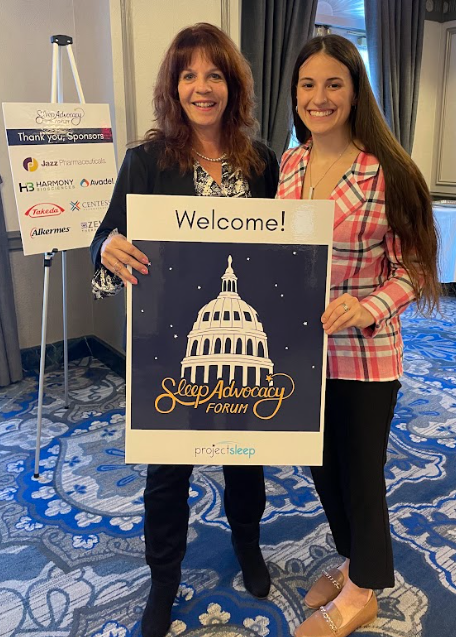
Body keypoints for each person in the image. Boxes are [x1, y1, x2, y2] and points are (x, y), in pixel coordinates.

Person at [90, 23, 279, 637]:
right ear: (174, 87)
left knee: (247, 456)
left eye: (215, 74)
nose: (203, 87)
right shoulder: (145, 162)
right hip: (169, 345)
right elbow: (106, 236)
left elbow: (286, 250)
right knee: (167, 470)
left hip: (244, 336)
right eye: (189, 75)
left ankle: (246, 541)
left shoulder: (263, 163)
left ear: (232, 86)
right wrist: (107, 247)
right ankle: (164, 575)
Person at [277, 35, 439, 637]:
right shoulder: (290, 164)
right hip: (304, 351)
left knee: (361, 473)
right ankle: (352, 561)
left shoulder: (388, 171)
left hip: (367, 355)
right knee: (322, 467)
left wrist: (368, 305)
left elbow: (415, 270)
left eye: (333, 84)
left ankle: (364, 591)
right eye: (307, 85)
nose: (318, 98)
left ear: (355, 92)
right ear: (295, 94)